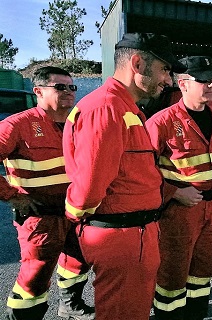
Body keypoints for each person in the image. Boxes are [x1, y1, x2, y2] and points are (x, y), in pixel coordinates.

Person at [63, 32, 186, 320]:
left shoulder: (123, 107)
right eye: (165, 70)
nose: (169, 81)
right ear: (138, 63)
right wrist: (77, 216)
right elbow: (89, 187)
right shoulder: (107, 108)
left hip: (133, 234)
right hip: (122, 238)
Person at [0, 66, 94, 320]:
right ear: (38, 91)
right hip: (40, 216)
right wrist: (13, 195)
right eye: (60, 87)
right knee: (36, 275)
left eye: (72, 87)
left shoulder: (79, 123)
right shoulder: (17, 125)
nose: (68, 92)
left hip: (77, 212)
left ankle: (70, 305)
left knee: (78, 262)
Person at [145, 55, 212, 320]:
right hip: (179, 213)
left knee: (203, 273)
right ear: (183, 84)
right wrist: (174, 192)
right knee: (172, 277)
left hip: (211, 210)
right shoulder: (161, 122)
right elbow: (141, 171)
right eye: (203, 80)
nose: (211, 86)